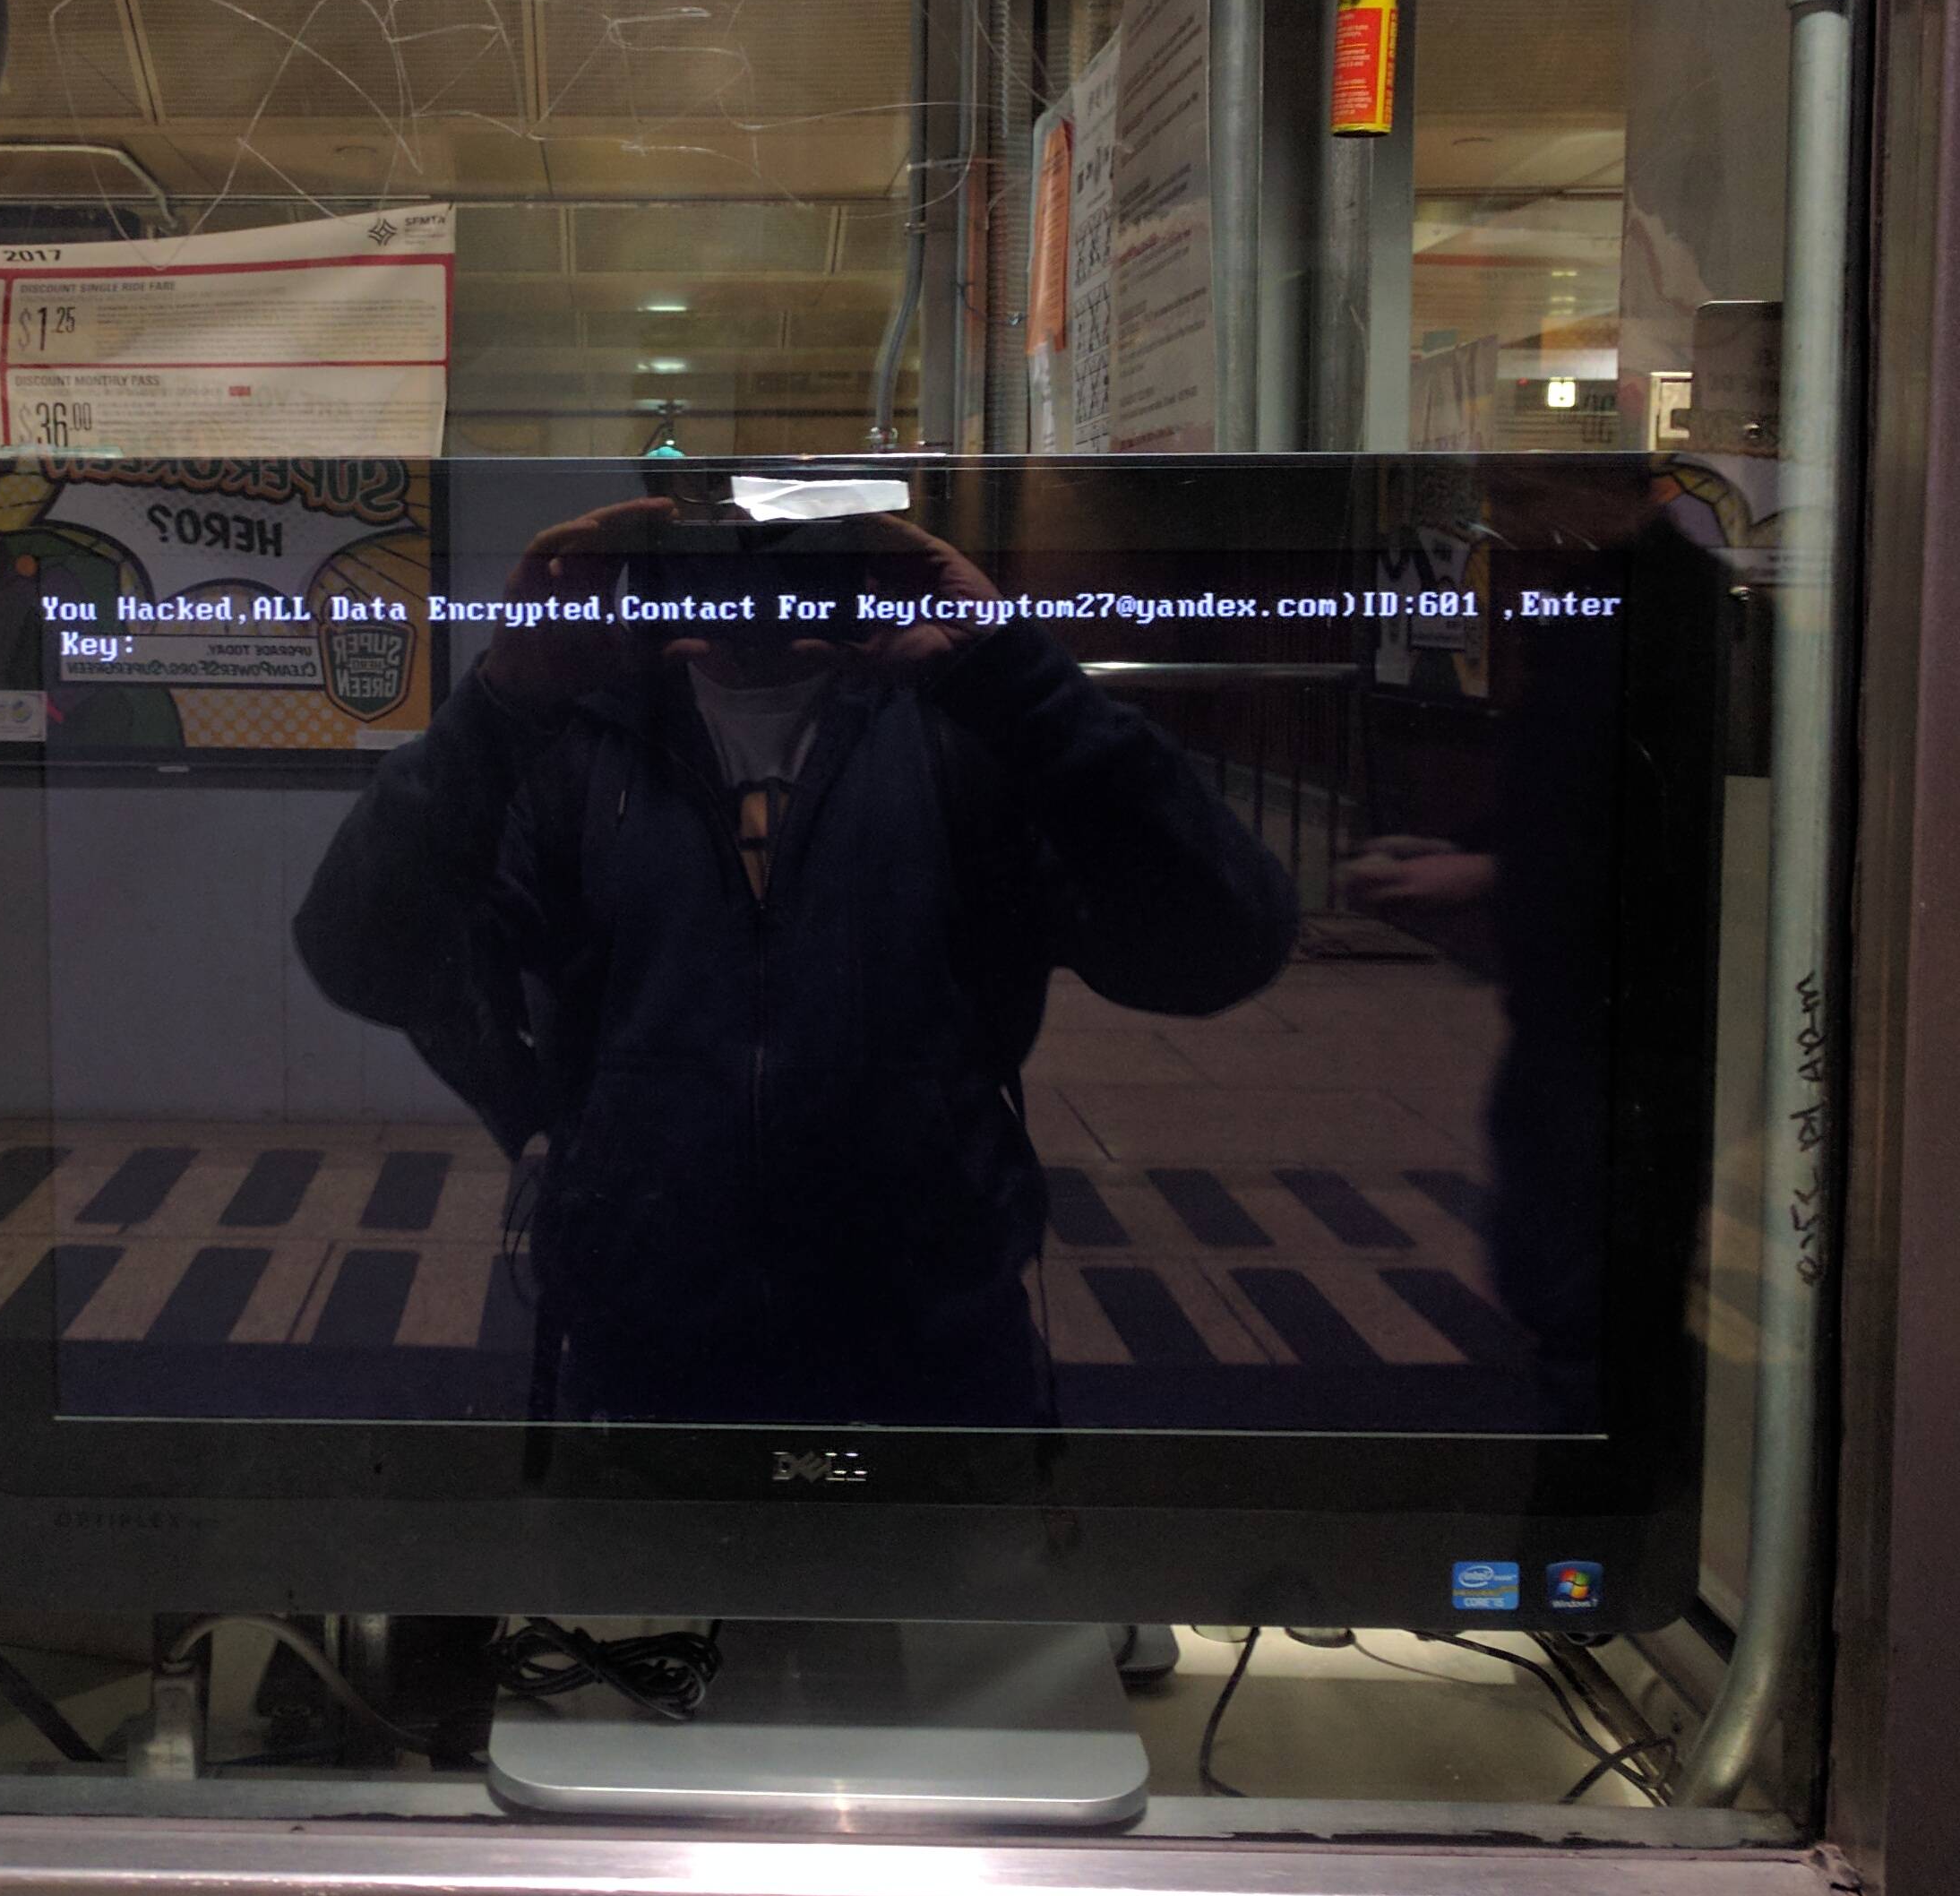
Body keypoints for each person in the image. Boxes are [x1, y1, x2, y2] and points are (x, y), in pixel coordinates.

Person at [292, 494, 1297, 1429]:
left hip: (932, 1343)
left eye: (796, 554)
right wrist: (505, 701)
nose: (758, 590)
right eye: (717, 557)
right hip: (644, 1344)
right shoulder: (575, 750)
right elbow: (368, 958)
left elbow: (1220, 943)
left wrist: (1013, 672)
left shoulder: (964, 734)